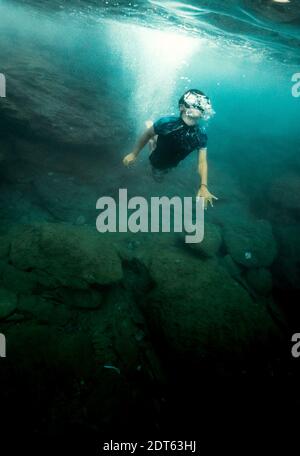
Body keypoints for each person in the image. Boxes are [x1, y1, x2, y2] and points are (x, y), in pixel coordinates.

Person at [123, 89, 218, 209]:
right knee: (155, 155)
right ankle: (153, 136)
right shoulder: (166, 123)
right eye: (195, 102)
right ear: (182, 107)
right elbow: (146, 135)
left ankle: (155, 136)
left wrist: (203, 185)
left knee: (164, 149)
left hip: (173, 161)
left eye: (201, 103)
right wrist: (134, 153)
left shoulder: (201, 135)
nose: (199, 106)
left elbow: (202, 162)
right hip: (156, 159)